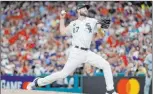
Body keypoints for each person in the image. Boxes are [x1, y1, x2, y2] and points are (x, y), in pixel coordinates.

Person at [27, 3, 118, 94]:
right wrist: (62, 19)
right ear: (78, 10)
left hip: (87, 52)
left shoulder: (93, 21)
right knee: (63, 74)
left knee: (106, 65)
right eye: (83, 8)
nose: (86, 10)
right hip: (76, 52)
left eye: (86, 8)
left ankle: (110, 90)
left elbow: (101, 35)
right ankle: (37, 82)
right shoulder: (73, 23)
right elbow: (62, 32)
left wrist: (99, 29)